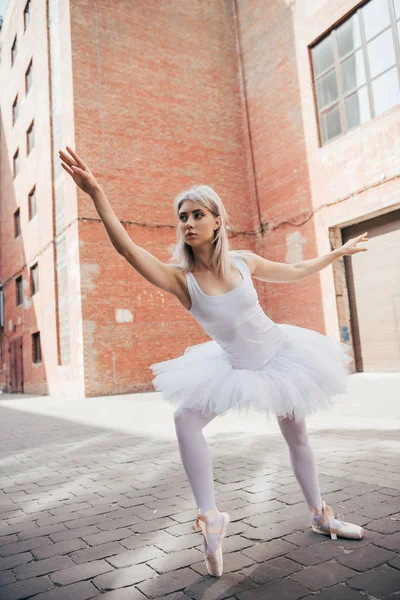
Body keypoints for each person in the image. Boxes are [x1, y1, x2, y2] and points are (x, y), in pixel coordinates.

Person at [59, 146, 368, 578]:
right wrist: (96, 193)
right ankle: (210, 517)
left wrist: (337, 253)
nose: (188, 223)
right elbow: (129, 251)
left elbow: (296, 270)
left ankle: (320, 514)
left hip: (283, 357)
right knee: (185, 420)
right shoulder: (180, 279)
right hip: (233, 367)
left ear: (217, 220)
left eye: (197, 214)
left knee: (297, 436)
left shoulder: (244, 261)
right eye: (182, 216)